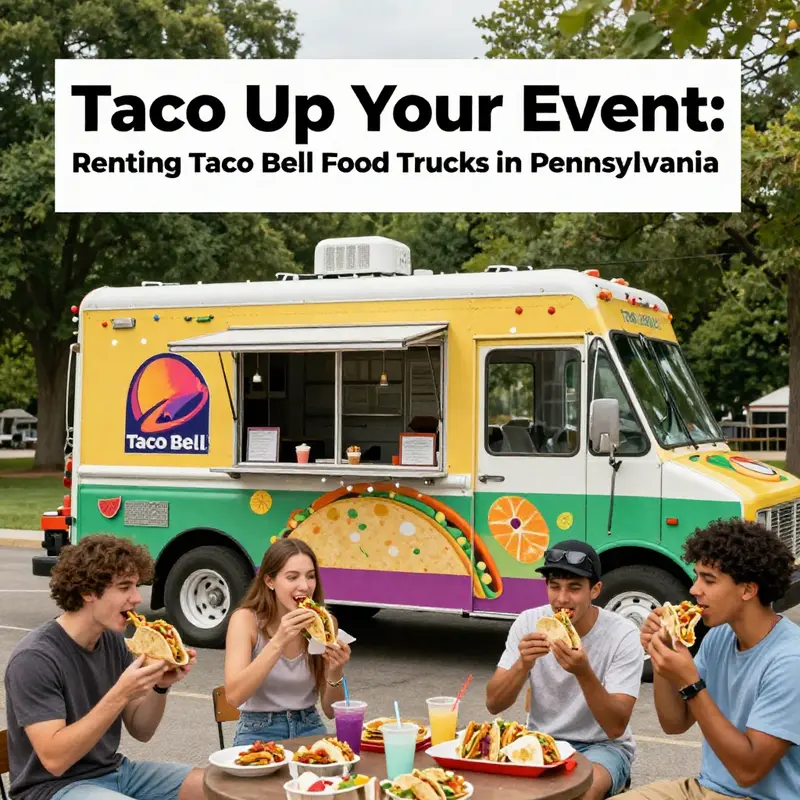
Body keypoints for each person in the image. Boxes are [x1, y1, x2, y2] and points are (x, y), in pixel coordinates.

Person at [4, 534, 205, 800]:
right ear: (87, 591)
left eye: (136, 586)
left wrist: (159, 686)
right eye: (124, 588)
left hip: (115, 773)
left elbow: (141, 730)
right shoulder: (35, 659)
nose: (136, 598)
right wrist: (120, 693)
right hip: (50, 788)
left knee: (217, 787)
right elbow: (55, 760)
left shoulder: (112, 640)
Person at [619, 518, 800, 800]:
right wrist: (661, 655)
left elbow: (748, 772)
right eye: (697, 576)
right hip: (707, 788)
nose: (694, 589)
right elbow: (674, 723)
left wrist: (691, 683)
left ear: (748, 590)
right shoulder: (720, 636)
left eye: (709, 580)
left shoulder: (790, 660)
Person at [486, 539, 644, 799]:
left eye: (574, 588)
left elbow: (616, 726)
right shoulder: (529, 622)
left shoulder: (622, 634)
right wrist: (523, 664)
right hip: (542, 740)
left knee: (580, 793)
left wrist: (583, 672)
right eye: (554, 586)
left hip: (603, 747)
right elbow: (493, 703)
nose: (562, 599)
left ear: (595, 590)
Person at [224, 538, 351, 746]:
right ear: (269, 581)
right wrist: (279, 641)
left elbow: (330, 711)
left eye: (310, 577)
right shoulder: (245, 620)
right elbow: (234, 696)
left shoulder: (326, 624)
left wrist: (336, 670)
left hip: (310, 725)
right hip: (259, 731)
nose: (304, 586)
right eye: (292, 577)